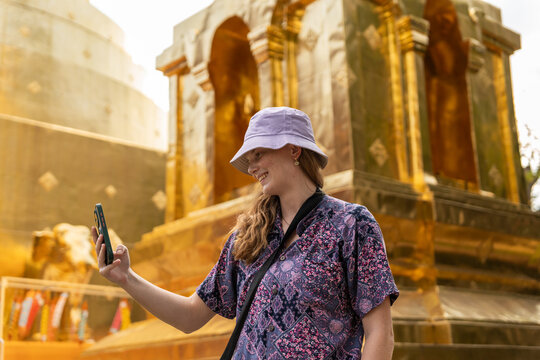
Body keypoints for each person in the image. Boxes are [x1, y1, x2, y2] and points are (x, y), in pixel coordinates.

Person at [93, 106, 399, 359]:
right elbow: (190, 316)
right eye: (248, 159)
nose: (252, 167)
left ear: (294, 149)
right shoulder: (249, 237)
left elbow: (380, 333)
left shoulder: (351, 225)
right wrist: (126, 278)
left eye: (259, 154)